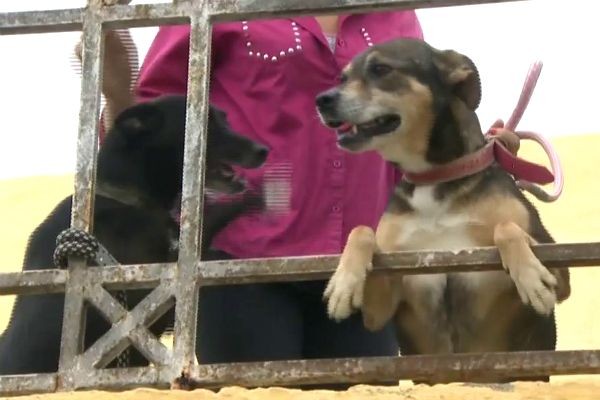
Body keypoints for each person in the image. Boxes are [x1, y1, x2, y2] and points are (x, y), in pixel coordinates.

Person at [79, 11, 519, 374]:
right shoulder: (215, 2)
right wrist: (116, 87)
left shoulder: (395, 12)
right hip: (241, 264)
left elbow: (413, 123)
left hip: (365, 262)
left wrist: (476, 154)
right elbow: (156, 116)